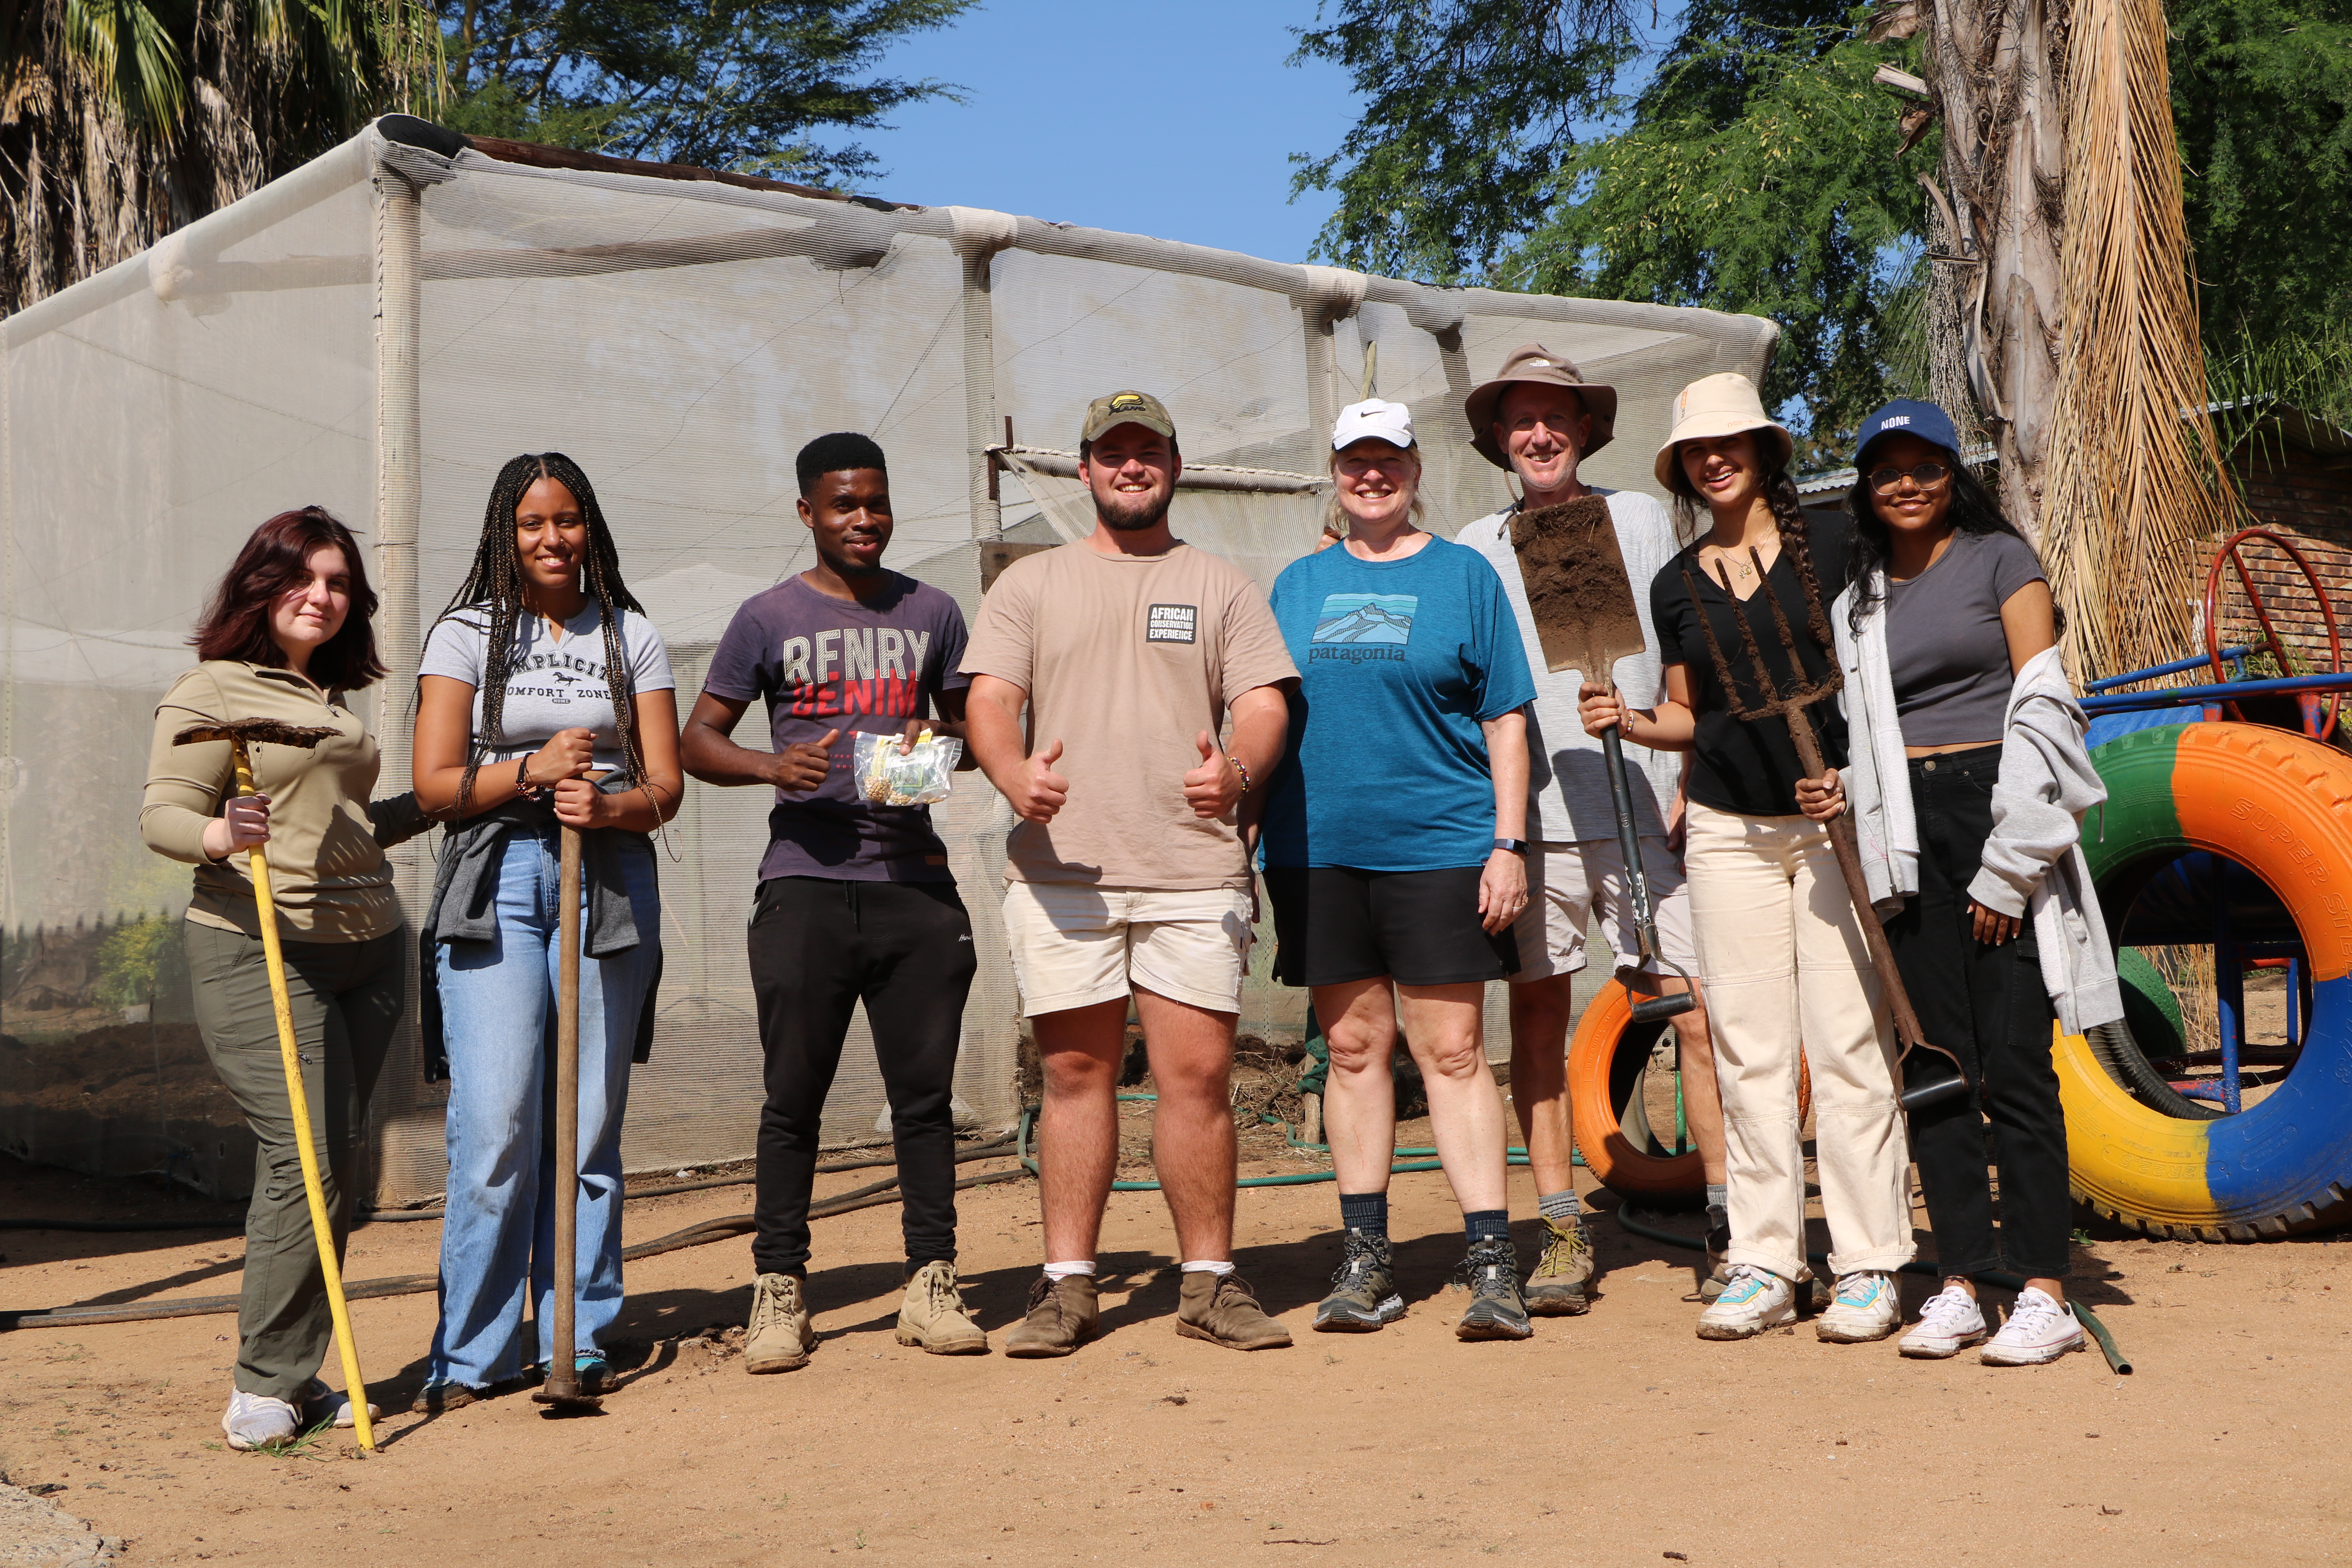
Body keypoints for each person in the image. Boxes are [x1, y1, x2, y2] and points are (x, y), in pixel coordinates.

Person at [962, 389, 1298, 1356]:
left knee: (1196, 1077)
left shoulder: (1221, 584)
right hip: (1064, 874)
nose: (1131, 466)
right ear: (1085, 470)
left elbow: (1265, 702)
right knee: (1075, 1075)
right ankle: (1068, 1285)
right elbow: (993, 695)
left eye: (1149, 450)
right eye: (1114, 453)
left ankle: (1208, 1282)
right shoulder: (1031, 585)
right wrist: (1012, 769)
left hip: (1194, 871)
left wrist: (1236, 769)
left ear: (1175, 467)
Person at [1581, 372, 1915, 1343]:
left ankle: (1868, 1261)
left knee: (1850, 1046)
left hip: (1835, 823)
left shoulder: (1843, 544)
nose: (1714, 457)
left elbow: (1886, 679)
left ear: (1767, 449)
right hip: (1729, 828)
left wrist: (1856, 780)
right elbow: (1692, 710)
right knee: (1749, 1049)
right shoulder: (1676, 581)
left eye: (1731, 441)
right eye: (1697, 448)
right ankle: (1768, 1258)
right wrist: (1634, 722)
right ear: (1684, 465)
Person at [1814, 399, 2121, 1365]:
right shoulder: (1857, 598)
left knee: (2017, 1060)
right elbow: (1861, 730)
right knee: (1935, 1062)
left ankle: (2042, 1287)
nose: (1907, 484)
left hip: (1997, 809)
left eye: (1926, 466)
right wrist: (1842, 787)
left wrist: (2008, 868)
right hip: (1905, 832)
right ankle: (1959, 1278)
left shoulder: (2002, 560)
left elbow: (2047, 712)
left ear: (1956, 474)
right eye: (1887, 470)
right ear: (1865, 488)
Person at [680, 432, 984, 1371]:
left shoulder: (933, 608)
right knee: (792, 1099)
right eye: (843, 504)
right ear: (807, 512)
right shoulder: (766, 617)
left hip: (914, 886)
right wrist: (772, 763)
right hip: (806, 885)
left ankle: (932, 1280)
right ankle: (780, 1289)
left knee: (924, 1100)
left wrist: (946, 736)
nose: (864, 520)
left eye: (877, 503)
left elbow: (972, 729)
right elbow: (698, 738)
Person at [141, 506, 429, 1450]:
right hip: (258, 941)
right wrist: (222, 833)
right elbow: (165, 814)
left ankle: (302, 1372)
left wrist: (458, 793)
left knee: (338, 1159)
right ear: (261, 587)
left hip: (370, 945)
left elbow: (349, 822)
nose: (324, 595)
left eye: (340, 582)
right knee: (301, 1155)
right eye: (304, 578)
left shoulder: (332, 701)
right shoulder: (212, 689)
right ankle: (262, 1381)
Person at [1455, 343, 1731, 1311]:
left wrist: (1686, 770)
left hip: (1643, 809)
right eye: (1521, 421)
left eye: (1555, 419)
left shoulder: (1641, 518)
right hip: (1535, 824)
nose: (1539, 434)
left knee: (1698, 1013)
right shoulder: (1474, 547)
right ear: (1499, 439)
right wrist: (1498, 830)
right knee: (1538, 1020)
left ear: (1584, 430)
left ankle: (1730, 1225)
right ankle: (1562, 1230)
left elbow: (1686, 648)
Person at [1259, 399, 1539, 1340]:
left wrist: (1508, 845)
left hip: (1442, 845)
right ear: (1335, 473)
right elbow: (1260, 717)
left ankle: (1493, 1262)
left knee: (1453, 1051)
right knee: (1350, 1050)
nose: (1370, 475)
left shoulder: (1465, 577)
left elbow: (1507, 716)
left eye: (1387, 459)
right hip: (1317, 850)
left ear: (1416, 469)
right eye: (1353, 461)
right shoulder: (1296, 585)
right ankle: (1367, 1258)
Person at [411, 452, 682, 1408]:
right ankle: (476, 1352)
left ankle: (580, 1331)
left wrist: (609, 810)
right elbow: (438, 784)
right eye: (531, 523)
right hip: (498, 878)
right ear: (505, 532)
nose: (552, 538)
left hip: (605, 880)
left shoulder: (631, 634)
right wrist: (531, 770)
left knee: (587, 1127)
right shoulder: (467, 634)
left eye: (567, 520)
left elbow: (665, 785)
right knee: (497, 1124)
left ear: (590, 527)